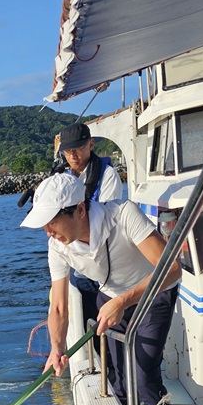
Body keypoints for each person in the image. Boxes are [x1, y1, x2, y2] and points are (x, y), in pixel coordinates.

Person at [21, 172, 182, 405]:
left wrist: (124, 301)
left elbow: (171, 269)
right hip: (111, 298)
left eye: (52, 221)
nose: (47, 231)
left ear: (79, 210)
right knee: (118, 378)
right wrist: (57, 348)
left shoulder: (124, 216)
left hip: (153, 291)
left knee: (144, 373)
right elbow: (58, 307)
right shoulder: (58, 245)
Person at [56, 122, 127, 325]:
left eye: (78, 149)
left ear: (91, 144)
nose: (73, 156)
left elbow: (107, 219)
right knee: (87, 316)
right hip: (79, 263)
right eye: (68, 151)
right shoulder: (64, 178)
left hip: (105, 262)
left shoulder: (107, 176)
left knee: (109, 320)